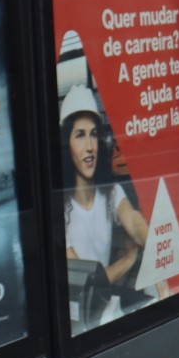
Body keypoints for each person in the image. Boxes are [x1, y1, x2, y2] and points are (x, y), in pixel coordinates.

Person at [61, 88, 148, 326]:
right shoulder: (60, 208)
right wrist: (128, 260)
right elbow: (85, 284)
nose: (89, 146)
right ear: (66, 144)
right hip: (78, 317)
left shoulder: (110, 192)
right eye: (79, 135)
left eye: (93, 135)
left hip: (105, 305)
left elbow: (133, 220)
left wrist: (156, 245)